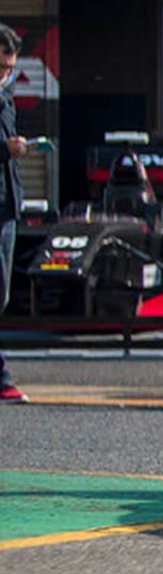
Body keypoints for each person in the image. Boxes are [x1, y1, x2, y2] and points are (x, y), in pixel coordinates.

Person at [1, 23, 27, 402]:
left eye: (10, 68)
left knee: (2, 295)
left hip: (6, 207)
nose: (5, 74)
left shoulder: (6, 99)